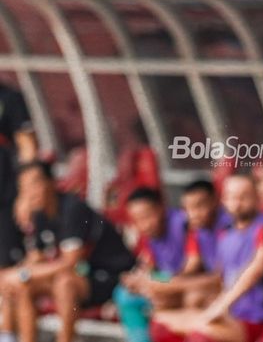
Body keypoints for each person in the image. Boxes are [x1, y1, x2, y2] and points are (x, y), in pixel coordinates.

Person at [0, 160, 135, 342]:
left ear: (51, 182)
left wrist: (23, 274)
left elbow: (70, 263)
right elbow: (36, 258)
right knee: (21, 287)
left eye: (34, 183)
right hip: (79, 278)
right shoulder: (40, 214)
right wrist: (12, 277)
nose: (30, 192)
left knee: (64, 283)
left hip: (111, 277)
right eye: (24, 187)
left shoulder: (72, 208)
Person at [153, 173, 263, 342]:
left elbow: (255, 272)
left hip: (258, 316)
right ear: (223, 200)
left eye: (244, 196)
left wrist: (219, 306)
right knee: (161, 323)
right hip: (232, 312)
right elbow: (220, 278)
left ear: (257, 196)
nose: (237, 203)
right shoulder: (225, 233)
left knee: (200, 335)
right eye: (231, 197)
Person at [114, 187, 197, 342]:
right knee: (124, 295)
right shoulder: (149, 237)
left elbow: (192, 267)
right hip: (164, 282)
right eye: (137, 220)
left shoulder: (183, 223)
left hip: (188, 283)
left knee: (156, 293)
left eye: (146, 216)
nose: (144, 225)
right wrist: (135, 280)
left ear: (160, 208)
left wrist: (160, 284)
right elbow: (148, 265)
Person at [0, 82, 38, 269]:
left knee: (6, 262)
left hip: (5, 195)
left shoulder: (9, 98)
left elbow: (28, 148)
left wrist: (26, 195)